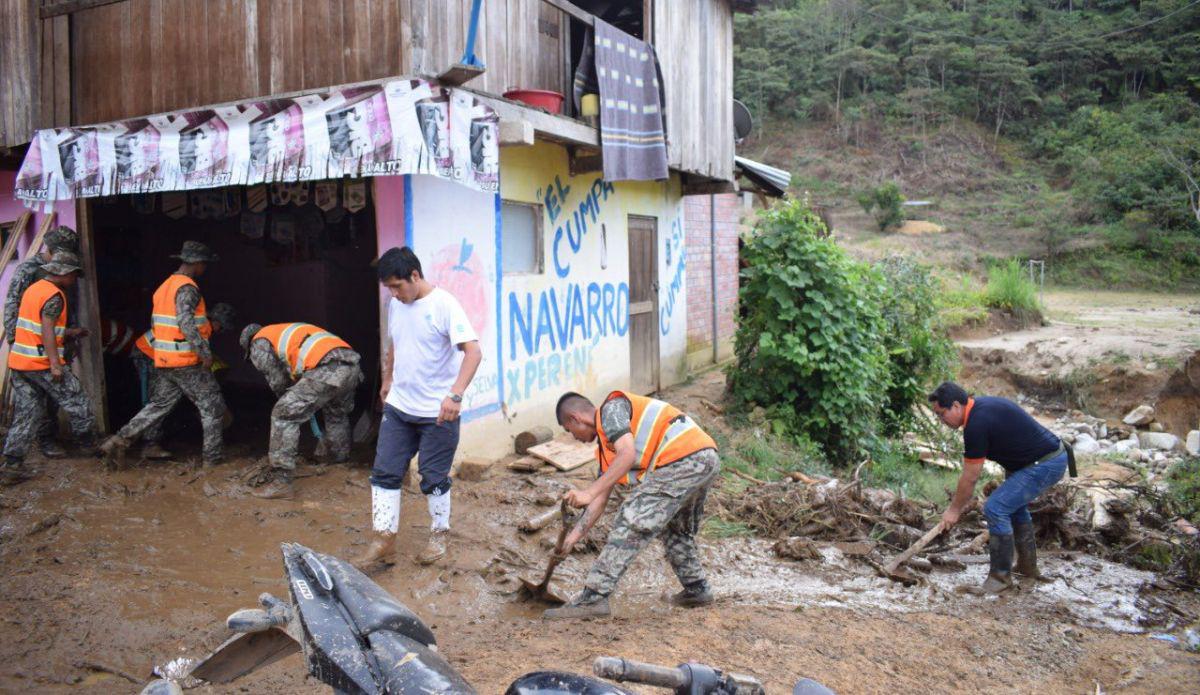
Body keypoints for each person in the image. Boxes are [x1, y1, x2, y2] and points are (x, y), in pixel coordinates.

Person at [543, 390, 721, 620]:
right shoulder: (607, 449)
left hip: (681, 458)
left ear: (575, 418)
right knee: (676, 529)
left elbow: (627, 455)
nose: (573, 437)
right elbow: (599, 501)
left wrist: (588, 492)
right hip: (703, 458)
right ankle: (696, 588)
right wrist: (571, 540)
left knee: (631, 519)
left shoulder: (611, 409)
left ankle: (593, 598)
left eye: (569, 431)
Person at [357, 247, 481, 570]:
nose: (394, 294)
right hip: (399, 407)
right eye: (389, 288)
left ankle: (439, 534)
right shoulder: (396, 306)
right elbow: (394, 344)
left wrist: (455, 395)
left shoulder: (444, 305)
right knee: (384, 472)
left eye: (397, 286)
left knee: (433, 476)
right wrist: (387, 379)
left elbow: (473, 352)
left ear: (414, 275)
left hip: (437, 412)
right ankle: (383, 539)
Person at [928, 381, 1069, 594]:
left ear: (956, 405)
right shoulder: (981, 409)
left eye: (941, 414)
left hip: (1045, 463)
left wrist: (954, 510)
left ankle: (1000, 579)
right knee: (1013, 508)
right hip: (1037, 461)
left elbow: (970, 477)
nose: (941, 420)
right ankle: (1027, 568)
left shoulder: (977, 424)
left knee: (995, 508)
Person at [100, 241, 227, 467]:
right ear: (197, 263)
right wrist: (204, 352)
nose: (204, 269)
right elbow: (186, 323)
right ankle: (213, 459)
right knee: (212, 405)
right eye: (204, 264)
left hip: (165, 359)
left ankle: (118, 441)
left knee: (158, 405)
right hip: (186, 360)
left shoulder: (164, 287)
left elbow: (157, 325)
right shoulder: (187, 288)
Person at [1, 250, 96, 485]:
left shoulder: (34, 289)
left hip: (20, 362)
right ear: (64, 273)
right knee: (78, 401)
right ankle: (90, 444)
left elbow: (38, 327)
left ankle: (12, 465)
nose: (74, 279)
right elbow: (46, 331)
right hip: (41, 362)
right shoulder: (54, 296)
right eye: (73, 275)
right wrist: (55, 364)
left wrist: (71, 332)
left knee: (27, 413)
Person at [240, 322, 364, 500]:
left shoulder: (259, 341)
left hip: (327, 368)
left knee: (283, 415)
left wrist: (287, 400)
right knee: (336, 414)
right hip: (351, 366)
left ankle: (281, 482)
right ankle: (338, 462)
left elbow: (278, 380)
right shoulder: (282, 331)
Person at [104, 303, 236, 460]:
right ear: (217, 322)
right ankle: (151, 444)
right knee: (160, 400)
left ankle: (120, 440)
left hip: (163, 356)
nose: (220, 331)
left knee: (160, 403)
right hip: (151, 354)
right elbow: (193, 359)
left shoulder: (195, 318)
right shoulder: (202, 326)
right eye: (222, 328)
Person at [3, 225, 81, 459]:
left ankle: (49, 436)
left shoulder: (66, 268)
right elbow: (12, 304)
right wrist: (15, 339)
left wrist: (70, 333)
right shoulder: (29, 269)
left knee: (54, 394)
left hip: (58, 340)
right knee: (35, 398)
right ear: (52, 249)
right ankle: (44, 439)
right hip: (31, 346)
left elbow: (68, 304)